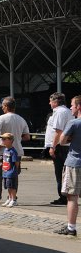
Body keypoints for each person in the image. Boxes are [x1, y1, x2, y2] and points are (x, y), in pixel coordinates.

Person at [0, 96, 30, 205]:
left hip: (4, 151)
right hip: (17, 151)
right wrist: (17, 137)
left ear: (6, 106)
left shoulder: (2, 118)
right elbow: (27, 137)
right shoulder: (21, 119)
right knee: (13, 175)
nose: (2, 108)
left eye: (3, 106)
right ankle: (12, 197)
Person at [55, 95, 81, 236]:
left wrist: (72, 137)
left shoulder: (74, 123)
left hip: (75, 162)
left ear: (78, 107)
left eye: (72, 105)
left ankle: (71, 228)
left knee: (72, 197)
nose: (71, 107)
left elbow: (62, 140)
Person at [46, 92, 72, 205]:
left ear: (56, 102)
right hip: (63, 146)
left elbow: (58, 131)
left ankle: (63, 197)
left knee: (60, 172)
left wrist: (53, 146)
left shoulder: (60, 112)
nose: (49, 103)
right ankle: (64, 196)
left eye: (51, 101)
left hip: (60, 146)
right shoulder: (64, 111)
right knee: (64, 172)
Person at [0, 133, 20, 207]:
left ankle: (14, 199)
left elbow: (16, 162)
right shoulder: (5, 150)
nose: (2, 140)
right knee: (8, 186)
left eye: (4, 139)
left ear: (10, 140)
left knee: (12, 187)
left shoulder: (13, 151)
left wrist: (14, 170)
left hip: (11, 172)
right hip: (5, 171)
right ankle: (10, 198)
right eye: (2, 139)